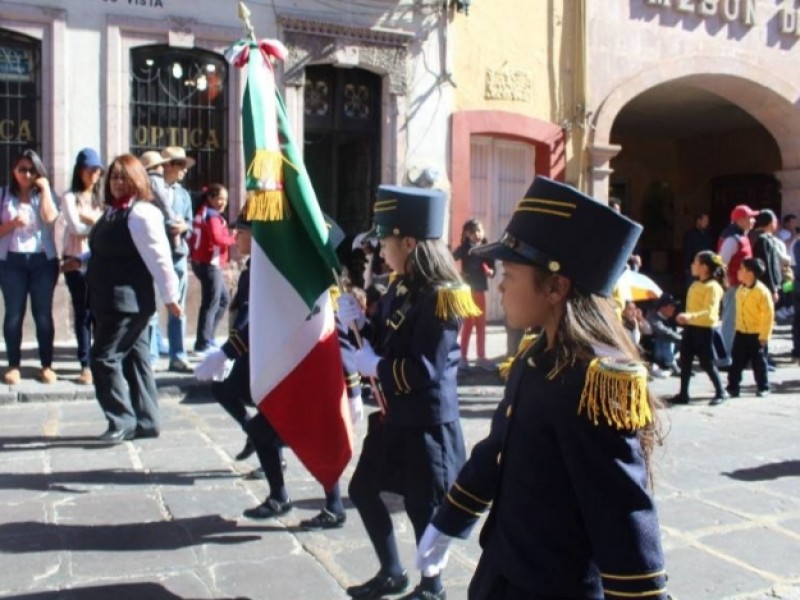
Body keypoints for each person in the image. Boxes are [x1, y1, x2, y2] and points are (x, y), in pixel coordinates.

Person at [413, 176, 667, 600]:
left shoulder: (594, 384)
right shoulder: (534, 359)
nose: (500, 284)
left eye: (510, 273)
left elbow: (622, 513)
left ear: (555, 286)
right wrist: (448, 520)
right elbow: (497, 450)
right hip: (503, 571)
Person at [337, 186, 480, 600]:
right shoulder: (399, 287)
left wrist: (373, 366)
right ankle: (392, 572)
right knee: (363, 490)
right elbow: (383, 341)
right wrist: (360, 326)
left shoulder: (443, 297)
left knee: (424, 508)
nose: (381, 250)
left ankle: (432, 588)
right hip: (393, 416)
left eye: (386, 240)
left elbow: (425, 369)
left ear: (410, 242)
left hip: (425, 423)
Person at [85, 154, 181, 442]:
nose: (116, 182)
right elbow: (104, 251)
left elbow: (160, 258)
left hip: (126, 304)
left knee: (103, 358)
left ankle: (121, 420)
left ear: (136, 180)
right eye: (113, 177)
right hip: (109, 300)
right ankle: (148, 420)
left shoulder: (141, 214)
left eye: (122, 177)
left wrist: (170, 296)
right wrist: (79, 260)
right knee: (136, 361)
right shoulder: (113, 213)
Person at [0, 149, 60, 385]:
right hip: (11, 261)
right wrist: (13, 223)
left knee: (43, 315)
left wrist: (44, 188)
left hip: (42, 262)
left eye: (31, 170)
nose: (26, 174)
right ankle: (14, 364)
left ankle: (46, 365)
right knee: (14, 314)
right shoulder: (4, 195)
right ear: (13, 170)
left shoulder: (45, 194)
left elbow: (50, 218)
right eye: (22, 169)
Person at [60, 148, 105, 385]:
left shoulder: (100, 198)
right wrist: (97, 222)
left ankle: (99, 361)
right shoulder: (69, 197)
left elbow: (105, 227)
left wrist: (91, 219)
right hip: (75, 261)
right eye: (91, 169)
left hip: (98, 261)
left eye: (98, 169)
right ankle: (85, 364)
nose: (95, 174)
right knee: (83, 313)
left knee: (99, 313)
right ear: (80, 170)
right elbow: (77, 229)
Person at [671, 251, 728, 406]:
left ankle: (720, 391)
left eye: (695, 262)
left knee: (707, 363)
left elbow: (710, 312)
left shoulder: (713, 287)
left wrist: (690, 316)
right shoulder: (695, 284)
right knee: (686, 361)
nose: (692, 265)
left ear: (704, 267)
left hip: (705, 331)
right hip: (691, 329)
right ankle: (683, 393)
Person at [159, 147, 195, 371]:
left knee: (178, 307)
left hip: (179, 255)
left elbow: (191, 224)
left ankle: (178, 354)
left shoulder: (183, 195)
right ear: (169, 166)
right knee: (152, 308)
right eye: (180, 165)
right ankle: (151, 356)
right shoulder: (154, 191)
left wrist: (185, 227)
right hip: (157, 254)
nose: (184, 170)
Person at [189, 184, 236, 353]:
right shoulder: (212, 216)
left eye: (226, 199)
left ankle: (208, 337)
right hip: (209, 263)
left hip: (204, 263)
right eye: (220, 198)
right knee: (211, 303)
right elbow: (218, 239)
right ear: (210, 199)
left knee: (222, 299)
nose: (223, 202)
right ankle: (203, 343)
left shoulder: (204, 212)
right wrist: (233, 238)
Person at [727, 258, 774, 399]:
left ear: (751, 273)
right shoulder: (740, 289)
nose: (738, 271)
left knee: (759, 362)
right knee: (736, 362)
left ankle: (763, 386)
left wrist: (764, 336)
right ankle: (733, 387)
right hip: (741, 332)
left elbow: (769, 315)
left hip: (757, 334)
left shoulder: (762, 291)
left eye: (742, 269)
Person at [717, 204, 758, 362]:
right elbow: (722, 263)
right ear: (740, 220)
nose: (753, 220)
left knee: (738, 320)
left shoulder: (741, 236)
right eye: (750, 218)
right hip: (733, 286)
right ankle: (724, 356)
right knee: (730, 321)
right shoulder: (732, 239)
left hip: (741, 286)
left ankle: (732, 353)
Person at [453, 218, 494, 371]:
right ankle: (463, 357)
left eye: (479, 230)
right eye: (473, 232)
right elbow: (450, 259)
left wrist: (490, 272)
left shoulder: (487, 249)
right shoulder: (464, 249)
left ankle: (481, 357)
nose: (477, 234)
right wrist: (458, 274)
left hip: (480, 291)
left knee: (481, 324)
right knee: (468, 325)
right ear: (467, 234)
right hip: (467, 292)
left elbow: (492, 269)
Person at [644, 293, 682, 377]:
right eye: (671, 306)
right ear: (663, 307)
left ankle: (675, 362)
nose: (674, 309)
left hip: (666, 352)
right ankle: (671, 364)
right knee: (665, 338)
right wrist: (683, 340)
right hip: (653, 351)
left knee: (683, 332)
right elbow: (665, 332)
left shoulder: (669, 318)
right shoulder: (652, 317)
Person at [682, 212, 713, 286]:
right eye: (705, 221)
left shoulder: (708, 235)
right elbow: (687, 252)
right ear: (699, 220)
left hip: (706, 270)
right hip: (693, 270)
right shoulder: (690, 235)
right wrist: (687, 268)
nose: (707, 223)